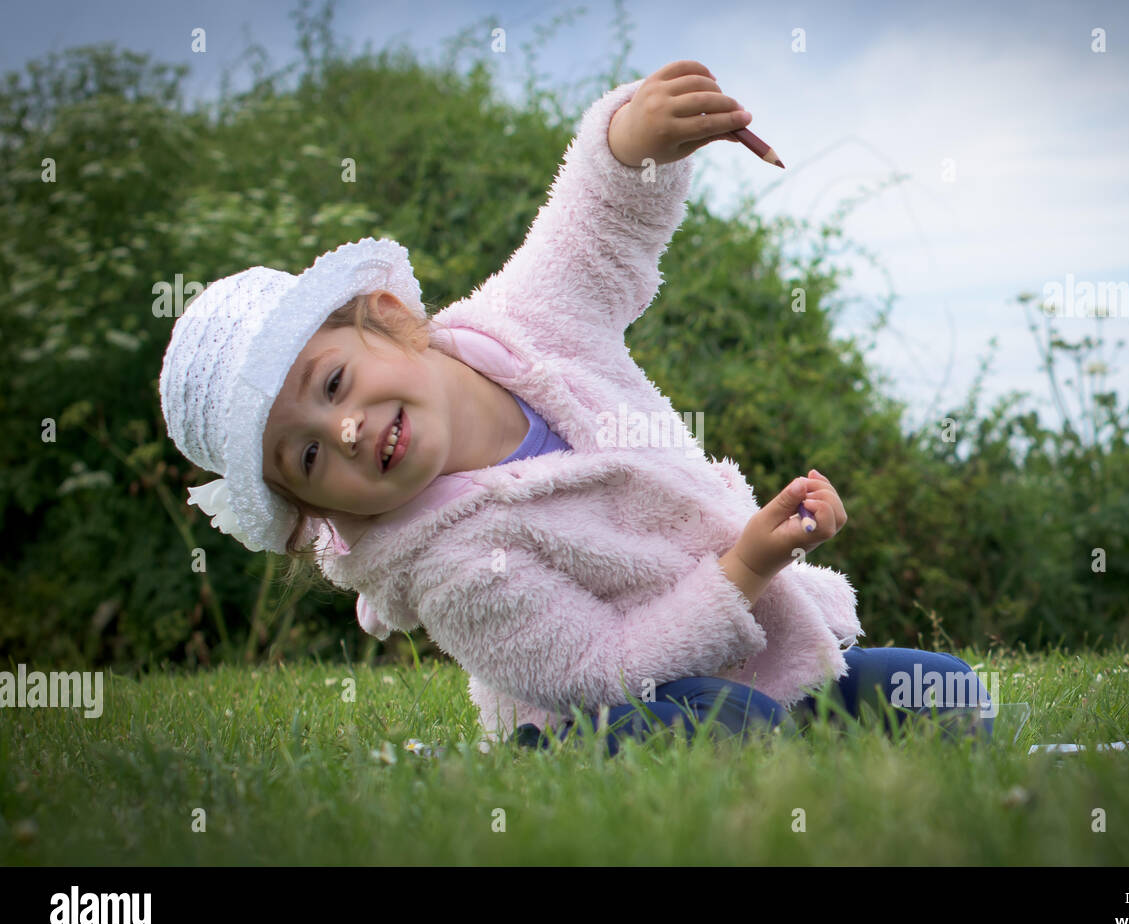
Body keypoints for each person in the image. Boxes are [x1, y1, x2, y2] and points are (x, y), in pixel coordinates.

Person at [159, 60, 995, 756]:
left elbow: (592, 232)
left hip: (754, 658)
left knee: (941, 689)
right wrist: (745, 567)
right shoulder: (448, 564)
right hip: (601, 715)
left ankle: (797, 733)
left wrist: (632, 141)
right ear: (315, 513)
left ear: (383, 319)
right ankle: (739, 753)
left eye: (333, 384)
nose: (343, 432)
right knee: (717, 725)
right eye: (306, 459)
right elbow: (603, 667)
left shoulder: (518, 325)